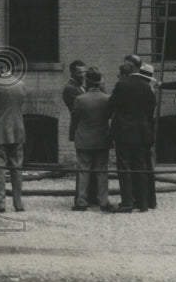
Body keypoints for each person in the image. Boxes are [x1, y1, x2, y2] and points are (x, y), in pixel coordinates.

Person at [107, 55, 156, 213]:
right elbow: (150, 110)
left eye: (126, 64)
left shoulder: (122, 85)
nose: (124, 66)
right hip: (141, 132)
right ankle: (142, 203)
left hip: (123, 132)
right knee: (140, 166)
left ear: (132, 66)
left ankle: (127, 201)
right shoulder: (146, 86)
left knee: (124, 166)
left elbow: (110, 107)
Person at [0, 53, 26, 213]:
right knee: (17, 168)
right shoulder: (21, 84)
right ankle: (18, 204)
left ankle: (0, 203)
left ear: (2, 66)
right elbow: (21, 104)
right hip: (17, 130)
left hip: (0, 131)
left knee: (0, 168)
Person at [70, 67, 112, 212]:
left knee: (83, 170)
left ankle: (82, 201)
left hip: (84, 139)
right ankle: (103, 201)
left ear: (87, 81)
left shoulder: (80, 99)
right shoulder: (107, 98)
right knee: (102, 171)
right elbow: (109, 116)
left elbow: (74, 120)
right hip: (102, 138)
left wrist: (73, 135)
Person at [61, 60, 98, 206]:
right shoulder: (70, 88)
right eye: (79, 72)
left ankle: (90, 196)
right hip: (82, 130)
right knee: (84, 165)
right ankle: (83, 197)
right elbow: (78, 110)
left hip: (87, 130)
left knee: (91, 165)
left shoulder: (80, 87)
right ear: (72, 73)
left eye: (84, 72)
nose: (83, 75)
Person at [135, 62, 159, 211]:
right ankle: (151, 199)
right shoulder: (149, 88)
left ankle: (144, 199)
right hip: (148, 130)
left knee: (143, 166)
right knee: (148, 166)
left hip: (144, 130)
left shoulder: (145, 90)